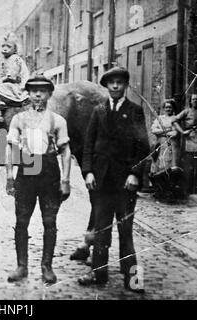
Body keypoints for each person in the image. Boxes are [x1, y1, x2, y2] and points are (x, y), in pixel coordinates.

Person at [78, 67, 150, 293]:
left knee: (126, 230)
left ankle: (133, 278)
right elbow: (87, 146)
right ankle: (98, 273)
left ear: (126, 85)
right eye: (112, 83)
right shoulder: (98, 111)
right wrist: (88, 172)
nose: (116, 86)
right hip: (101, 182)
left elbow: (143, 147)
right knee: (101, 229)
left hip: (125, 183)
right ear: (107, 86)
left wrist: (134, 174)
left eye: (120, 82)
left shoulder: (135, 111)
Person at [5, 75, 72, 284]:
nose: (37, 95)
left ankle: (47, 266)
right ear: (28, 94)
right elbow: (10, 148)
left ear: (49, 94)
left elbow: (66, 151)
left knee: (49, 221)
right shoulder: (19, 119)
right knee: (21, 221)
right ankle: (22, 266)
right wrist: (9, 175)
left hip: (49, 172)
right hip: (26, 171)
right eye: (33, 90)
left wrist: (66, 180)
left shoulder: (57, 120)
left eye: (42, 91)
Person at [0, 32, 30, 123]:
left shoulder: (15, 59)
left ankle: (0, 114)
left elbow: (13, 74)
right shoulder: (1, 59)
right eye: (3, 46)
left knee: (1, 87)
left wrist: (3, 79)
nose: (5, 49)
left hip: (15, 83)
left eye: (8, 47)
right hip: (4, 82)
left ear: (15, 49)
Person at [172, 93, 197, 195]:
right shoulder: (187, 111)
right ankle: (188, 190)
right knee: (189, 165)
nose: (195, 101)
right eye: (194, 99)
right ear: (190, 101)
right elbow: (174, 120)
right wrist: (182, 132)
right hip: (190, 139)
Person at [150, 99, 178, 174]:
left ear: (173, 108)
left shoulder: (175, 118)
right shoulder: (159, 118)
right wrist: (167, 130)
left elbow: (175, 133)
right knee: (158, 162)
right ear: (164, 108)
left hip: (171, 144)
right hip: (160, 144)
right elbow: (153, 130)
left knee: (170, 164)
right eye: (166, 107)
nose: (168, 109)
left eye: (170, 107)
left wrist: (161, 131)